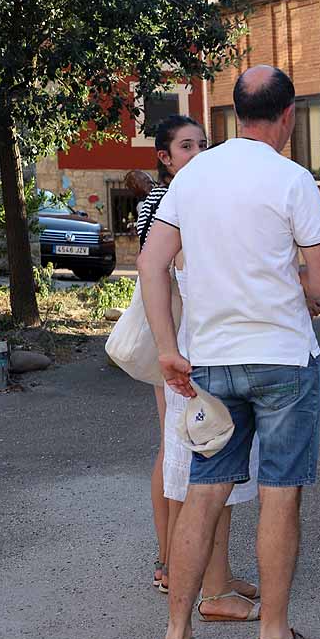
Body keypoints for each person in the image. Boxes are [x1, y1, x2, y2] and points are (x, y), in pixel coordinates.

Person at [139, 65, 320, 639]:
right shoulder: (292, 179)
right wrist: (314, 295)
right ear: (287, 117)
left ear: (234, 114)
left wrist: (169, 349)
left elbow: (152, 264)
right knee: (281, 496)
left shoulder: (194, 173)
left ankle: (177, 636)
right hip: (283, 358)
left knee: (203, 493)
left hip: (212, 361)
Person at [131, 116, 206, 593]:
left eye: (202, 144)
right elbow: (154, 270)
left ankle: (183, 562)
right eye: (185, 146)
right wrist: (169, 345)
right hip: (175, 340)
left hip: (191, 338)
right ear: (164, 157)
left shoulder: (194, 194)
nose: (196, 153)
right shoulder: (161, 201)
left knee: (188, 445)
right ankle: (167, 560)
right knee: (174, 447)